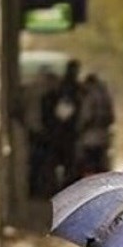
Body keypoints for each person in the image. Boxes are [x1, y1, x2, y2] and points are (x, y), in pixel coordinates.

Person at [41, 59, 82, 190]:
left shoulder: (60, 87)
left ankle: (57, 186)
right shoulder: (75, 89)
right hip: (67, 132)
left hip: (59, 131)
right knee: (66, 161)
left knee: (58, 161)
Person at [23, 69, 60, 197]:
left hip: (32, 131)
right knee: (45, 162)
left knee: (35, 162)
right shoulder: (49, 94)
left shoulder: (30, 89)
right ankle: (45, 188)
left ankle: (35, 189)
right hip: (42, 131)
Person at [76, 74, 115, 177]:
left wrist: (78, 128)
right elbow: (111, 118)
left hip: (89, 138)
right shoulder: (105, 96)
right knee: (101, 164)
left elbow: (86, 116)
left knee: (89, 165)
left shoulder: (89, 96)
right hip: (103, 137)